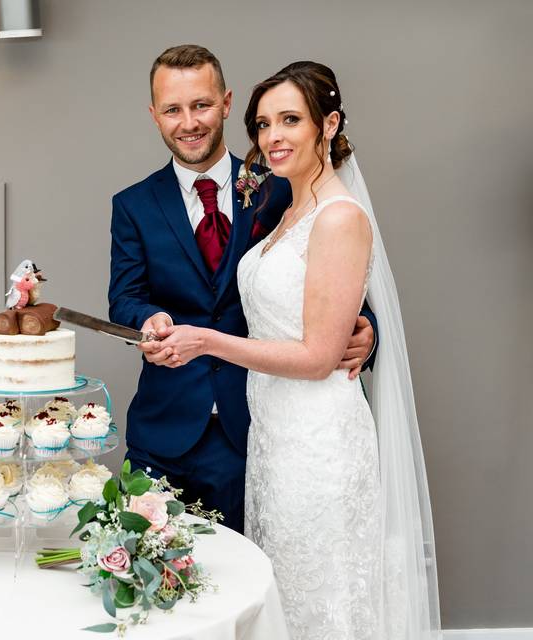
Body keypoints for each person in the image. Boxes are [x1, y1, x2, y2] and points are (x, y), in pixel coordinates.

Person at [155, 61, 440, 640]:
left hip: (321, 444)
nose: (272, 137)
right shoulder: (282, 211)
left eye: (290, 120)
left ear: (328, 124)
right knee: (283, 591)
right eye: (263, 124)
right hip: (273, 439)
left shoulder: (338, 217)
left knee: (324, 596)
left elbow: (316, 356)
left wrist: (206, 340)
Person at [108, 45, 377, 531]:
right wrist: (144, 319)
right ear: (155, 116)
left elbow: (329, 270)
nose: (188, 122)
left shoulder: (279, 184)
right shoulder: (132, 205)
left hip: (252, 429)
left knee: (245, 584)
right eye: (173, 109)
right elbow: (125, 296)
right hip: (163, 430)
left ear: (227, 103)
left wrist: (367, 331)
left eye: (202, 105)